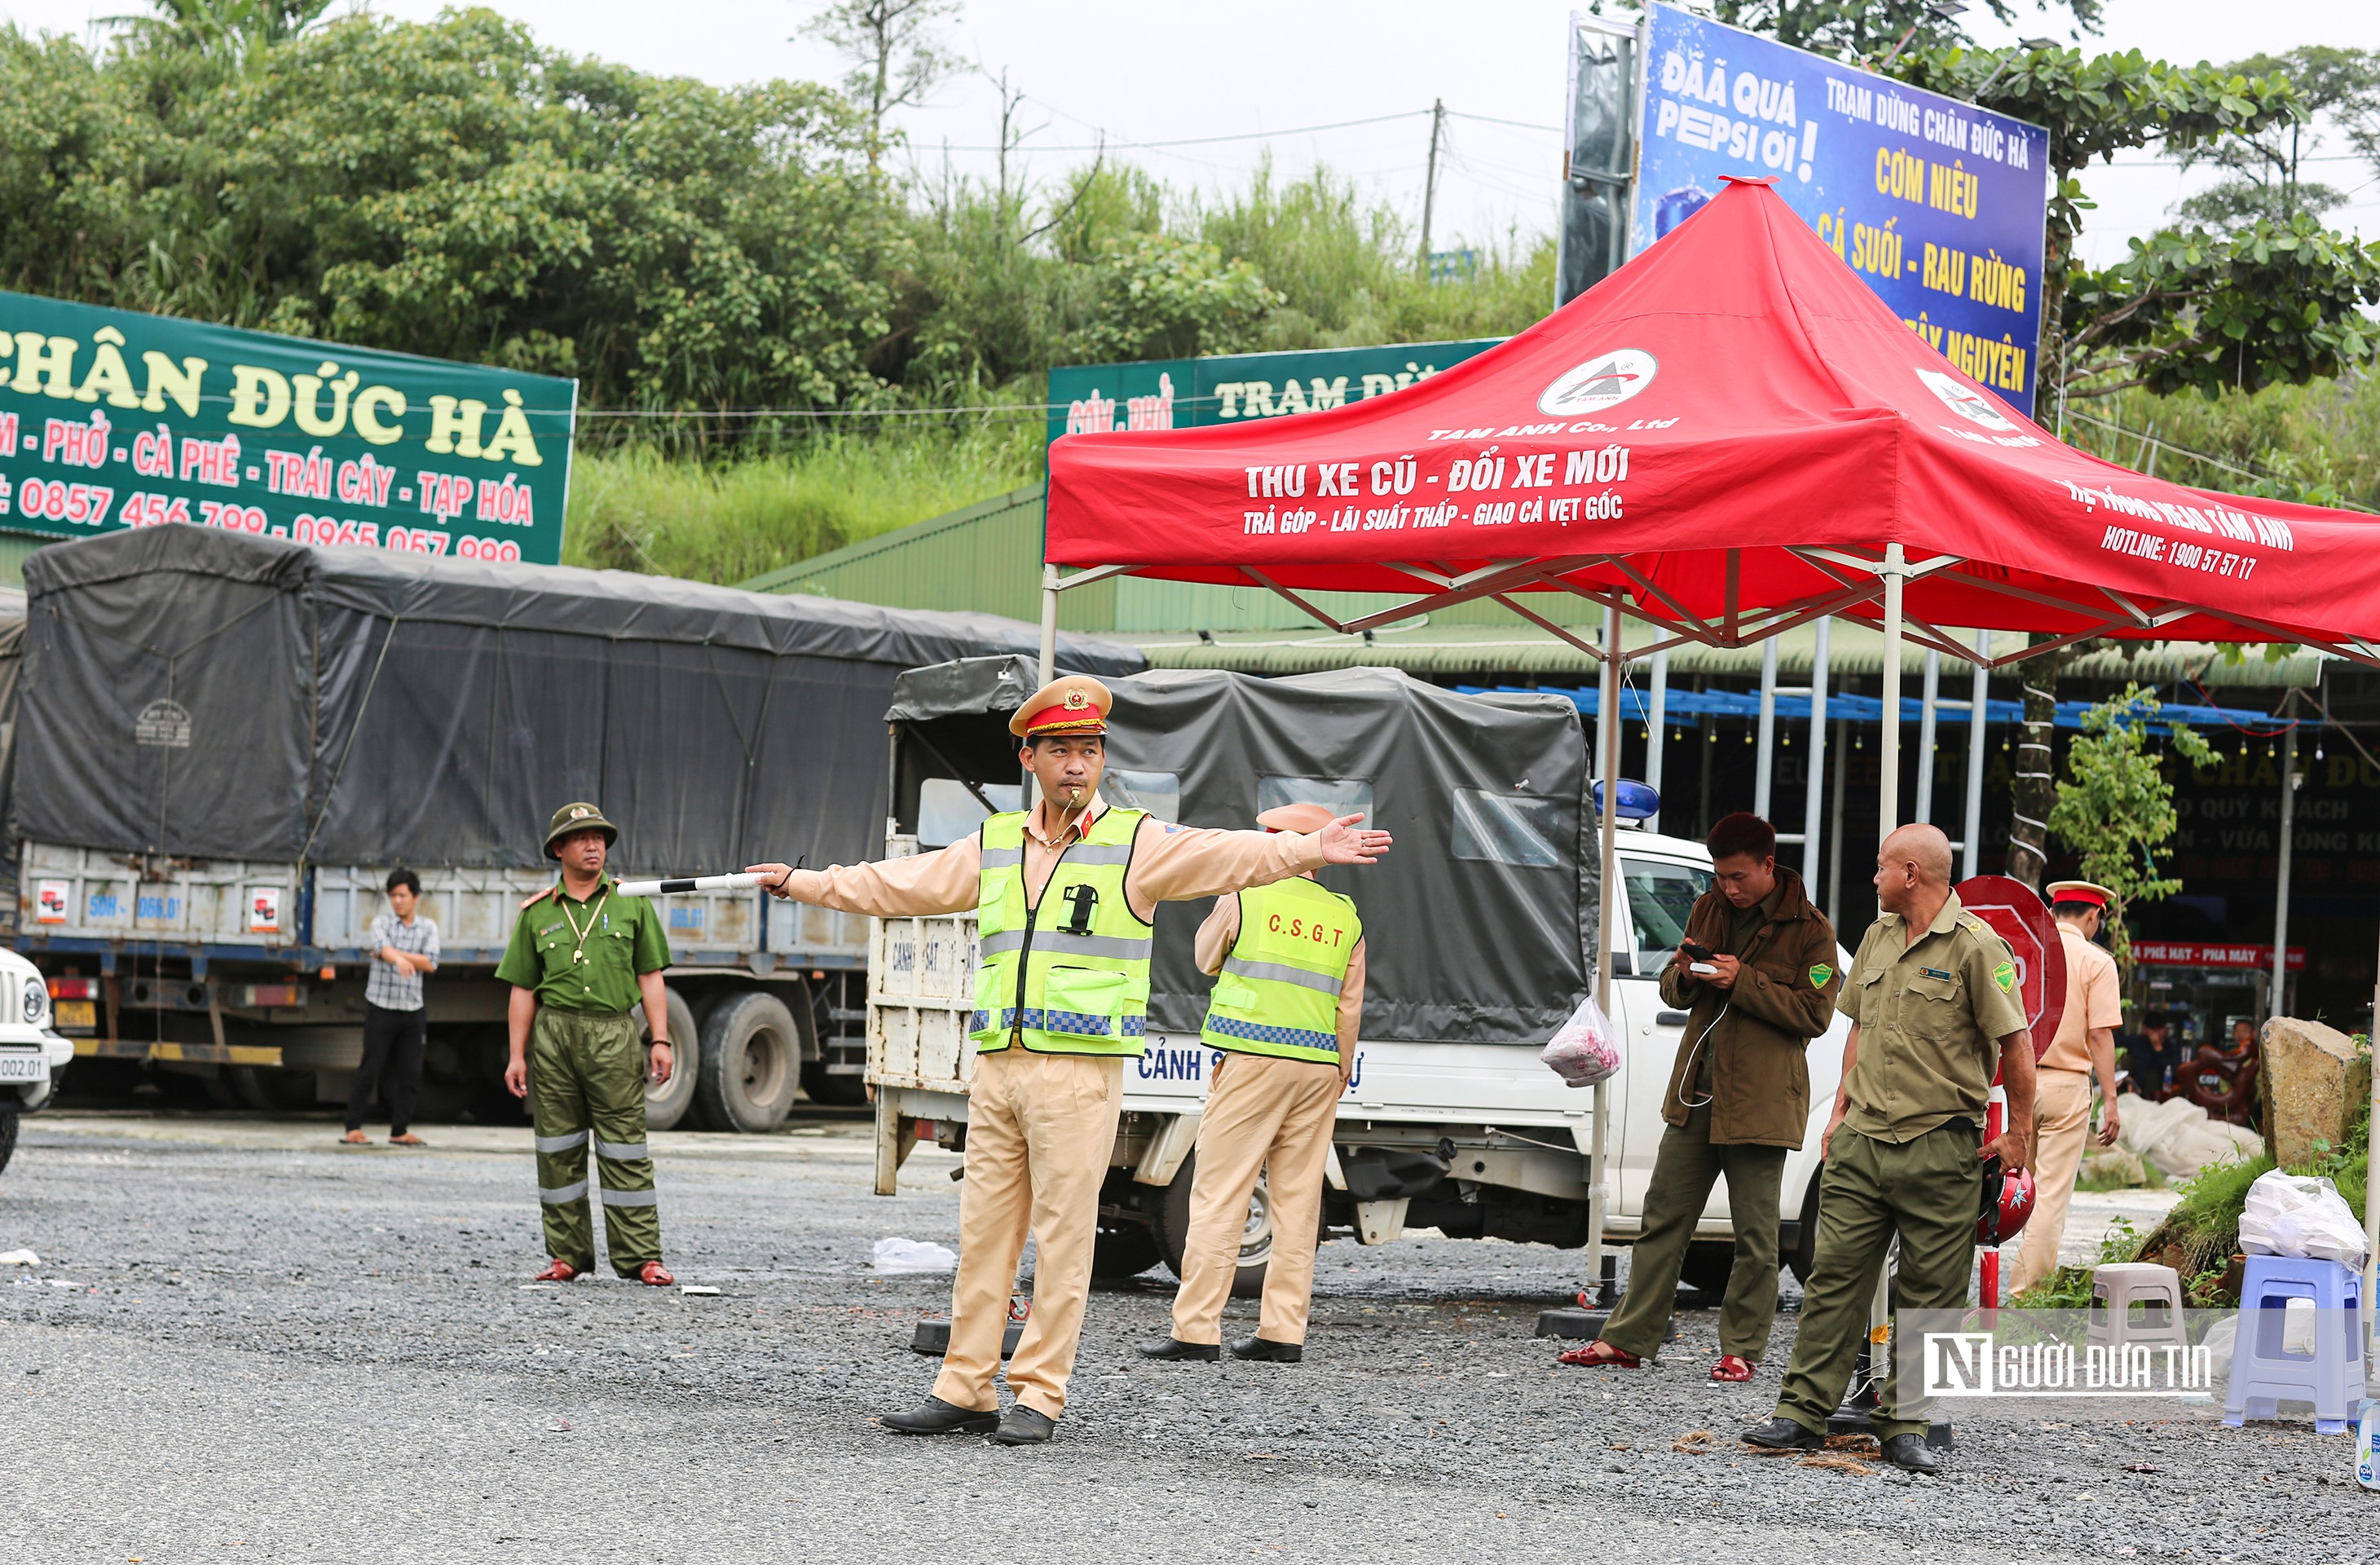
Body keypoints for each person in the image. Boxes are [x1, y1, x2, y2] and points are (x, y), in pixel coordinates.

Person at [747, 677, 1392, 1446]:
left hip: (1080, 1072)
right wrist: (805, 883)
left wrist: (1309, 847)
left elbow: (1223, 852)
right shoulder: (995, 844)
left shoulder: (1135, 841)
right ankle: (965, 1388)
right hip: (1000, 1066)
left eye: (1088, 750)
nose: (1077, 764)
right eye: (1060, 750)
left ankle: (1040, 1394)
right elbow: (899, 884)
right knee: (984, 1234)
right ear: (1031, 757)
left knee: (1064, 1238)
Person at [1743, 823, 2034, 1475]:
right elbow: (1858, 1026)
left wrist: (2019, 1135)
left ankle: (1904, 1424)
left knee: (1929, 1294)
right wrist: (1842, 1106)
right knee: (1832, 1281)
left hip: (1941, 1144)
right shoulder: (1875, 938)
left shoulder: (1978, 949)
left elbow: (2016, 1045)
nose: (1872, 878)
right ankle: (1801, 1413)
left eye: (1881, 868)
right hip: (1863, 1142)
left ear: (1911, 874)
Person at [1555, 812, 1840, 1382]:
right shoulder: (1708, 906)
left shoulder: (1812, 931)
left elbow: (1816, 1016)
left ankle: (1741, 1350)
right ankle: (1629, 1339)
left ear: (1768, 864)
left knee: (1756, 1238)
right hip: (1695, 1094)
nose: (1727, 888)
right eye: (1719, 877)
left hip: (1760, 1104)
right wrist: (1687, 973)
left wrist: (1745, 981)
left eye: (1737, 877)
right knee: (1662, 1220)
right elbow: (1671, 987)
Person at [1139, 800, 1368, 1367]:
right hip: (1318, 1067)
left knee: (1219, 1195)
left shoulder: (1245, 895)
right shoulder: (1345, 914)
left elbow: (1205, 957)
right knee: (1298, 1203)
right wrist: (1340, 1068)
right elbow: (1350, 1005)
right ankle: (1282, 1333)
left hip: (1252, 1060)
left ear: (1282, 843)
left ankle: (1196, 1331)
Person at [496, 802, 677, 1287]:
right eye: (581, 838)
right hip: (554, 1035)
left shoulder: (629, 901)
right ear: (559, 849)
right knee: (557, 1147)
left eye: (599, 837)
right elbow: (521, 989)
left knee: (625, 1149)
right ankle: (566, 1255)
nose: (594, 844)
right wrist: (518, 1054)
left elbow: (651, 975)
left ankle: (642, 1258)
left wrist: (659, 1038)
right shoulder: (537, 914)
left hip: (614, 1032)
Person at [2008, 881, 2125, 1297]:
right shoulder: (2097, 961)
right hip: (2065, 1087)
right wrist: (2111, 1101)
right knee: (2048, 1196)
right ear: (2093, 916)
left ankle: (1994, 1289)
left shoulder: (2023, 952)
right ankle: (2026, 1297)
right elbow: (2099, 1037)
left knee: (2017, 1188)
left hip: (2015, 1083)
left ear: (2054, 911)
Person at [342, 868, 440, 1148]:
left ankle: (400, 1130)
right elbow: (379, 946)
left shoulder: (428, 927)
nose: (397, 901)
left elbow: (431, 963)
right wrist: (395, 957)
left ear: (415, 898)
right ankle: (353, 1127)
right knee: (370, 1067)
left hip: (412, 1010)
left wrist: (395, 955)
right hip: (381, 1007)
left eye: (403, 895)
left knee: (410, 1072)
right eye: (393, 895)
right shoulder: (381, 923)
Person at [2122, 1010, 2178, 1100]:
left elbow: (2173, 1071)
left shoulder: (2171, 1047)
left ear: (2165, 1029)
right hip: (2137, 1091)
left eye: (2159, 1029)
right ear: (2145, 1029)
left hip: (2162, 1092)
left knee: (2152, 1076)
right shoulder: (2137, 1042)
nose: (2155, 1033)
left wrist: (2158, 1048)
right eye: (2152, 1029)